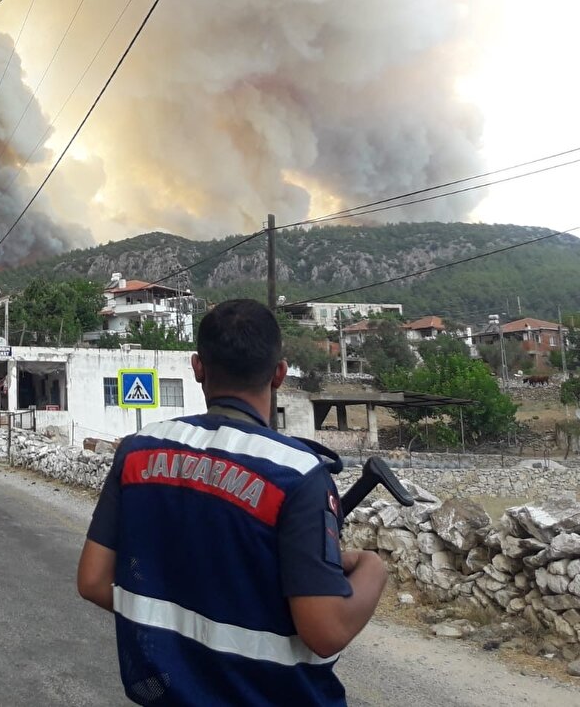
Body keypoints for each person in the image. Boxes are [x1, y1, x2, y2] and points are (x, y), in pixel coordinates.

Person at [77, 299, 387, 706]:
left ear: (198, 368)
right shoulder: (297, 473)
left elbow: (94, 581)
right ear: (279, 373)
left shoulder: (138, 451)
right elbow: (326, 631)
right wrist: (373, 567)